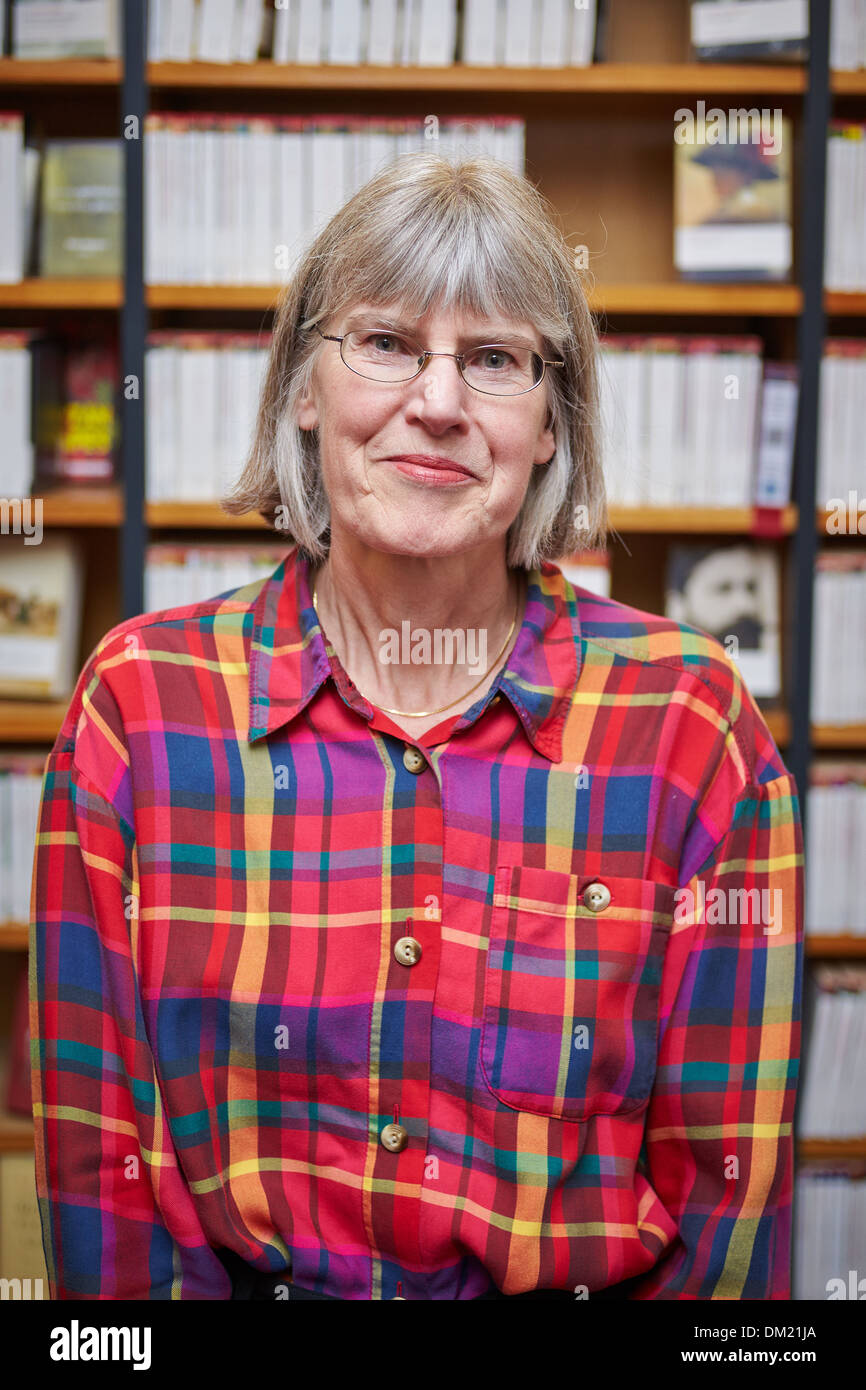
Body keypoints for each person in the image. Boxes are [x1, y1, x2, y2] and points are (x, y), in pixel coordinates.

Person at [29, 152, 803, 1301]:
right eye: (385, 342)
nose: (436, 404)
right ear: (303, 388)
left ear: (549, 426)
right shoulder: (140, 706)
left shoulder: (690, 726)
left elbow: (724, 1208)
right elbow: (99, 1179)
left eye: (492, 359)